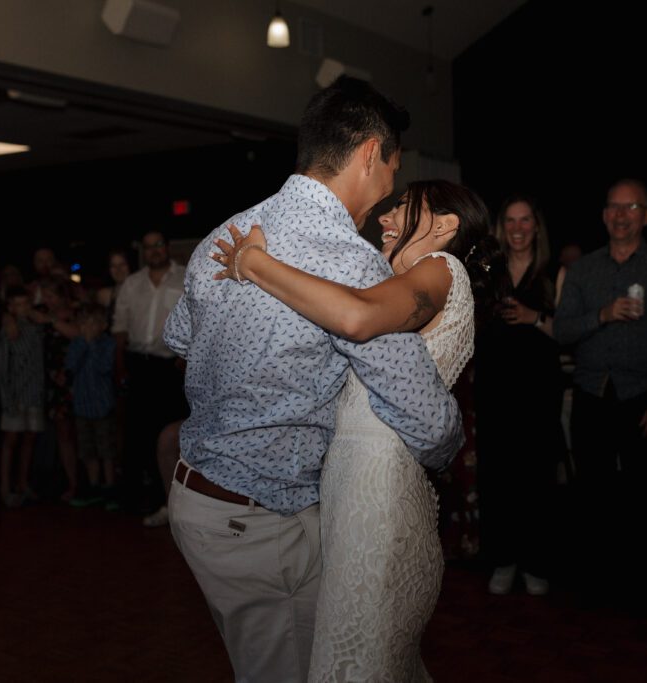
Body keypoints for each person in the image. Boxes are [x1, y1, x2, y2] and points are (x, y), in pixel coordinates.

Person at [163, 76, 463, 683]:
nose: (390, 190)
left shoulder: (222, 237)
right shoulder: (349, 263)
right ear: (372, 153)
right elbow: (429, 421)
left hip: (207, 493)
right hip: (256, 518)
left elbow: (181, 347)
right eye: (393, 170)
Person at [214, 178, 492, 681]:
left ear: (446, 226)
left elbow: (355, 316)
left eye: (404, 208)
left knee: (358, 661)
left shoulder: (441, 268)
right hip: (357, 489)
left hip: (377, 499)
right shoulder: (409, 283)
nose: (384, 219)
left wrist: (255, 263)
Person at [553, 179, 647, 604]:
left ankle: (643, 588)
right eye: (614, 207)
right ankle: (595, 584)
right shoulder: (583, 269)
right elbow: (561, 331)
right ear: (604, 215)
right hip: (592, 395)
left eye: (631, 207)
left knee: (644, 496)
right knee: (592, 493)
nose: (621, 215)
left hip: (643, 396)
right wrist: (603, 314)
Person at [475, 195, 563, 598]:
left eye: (526, 220)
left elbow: (571, 333)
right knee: (498, 478)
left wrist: (535, 318)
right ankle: (503, 560)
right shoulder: (487, 271)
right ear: (501, 228)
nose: (518, 228)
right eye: (510, 220)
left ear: (537, 226)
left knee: (536, 480)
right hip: (495, 388)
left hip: (538, 391)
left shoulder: (555, 272)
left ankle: (536, 562)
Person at [111, 231, 187, 516]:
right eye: (148, 247)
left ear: (167, 247)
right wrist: (119, 366)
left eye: (158, 245)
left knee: (166, 434)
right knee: (136, 432)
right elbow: (119, 327)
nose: (154, 251)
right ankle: (136, 498)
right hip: (137, 364)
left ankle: (169, 501)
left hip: (170, 367)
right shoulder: (132, 283)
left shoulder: (184, 277)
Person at [27, 278, 80, 501]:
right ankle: (70, 481)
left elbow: (78, 334)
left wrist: (49, 320)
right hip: (50, 382)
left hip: (76, 381)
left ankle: (87, 481)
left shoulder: (75, 312)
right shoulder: (38, 312)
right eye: (44, 295)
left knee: (80, 432)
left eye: (52, 296)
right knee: (62, 432)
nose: (47, 300)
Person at [0, 286, 45, 508]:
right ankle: (5, 487)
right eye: (16, 304)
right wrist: (7, 398)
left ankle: (22, 484)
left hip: (34, 393)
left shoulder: (36, 328)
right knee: (11, 441)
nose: (21, 308)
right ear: (9, 307)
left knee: (29, 439)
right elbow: (2, 367)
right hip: (15, 394)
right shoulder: (8, 331)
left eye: (25, 304)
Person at [65, 304, 117, 506]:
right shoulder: (76, 344)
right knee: (88, 450)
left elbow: (105, 368)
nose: (88, 327)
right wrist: (83, 345)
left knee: (106, 450)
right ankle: (93, 485)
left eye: (93, 323)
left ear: (102, 326)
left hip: (102, 406)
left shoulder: (108, 344)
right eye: (84, 323)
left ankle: (110, 487)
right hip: (82, 406)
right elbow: (71, 367)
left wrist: (92, 345)